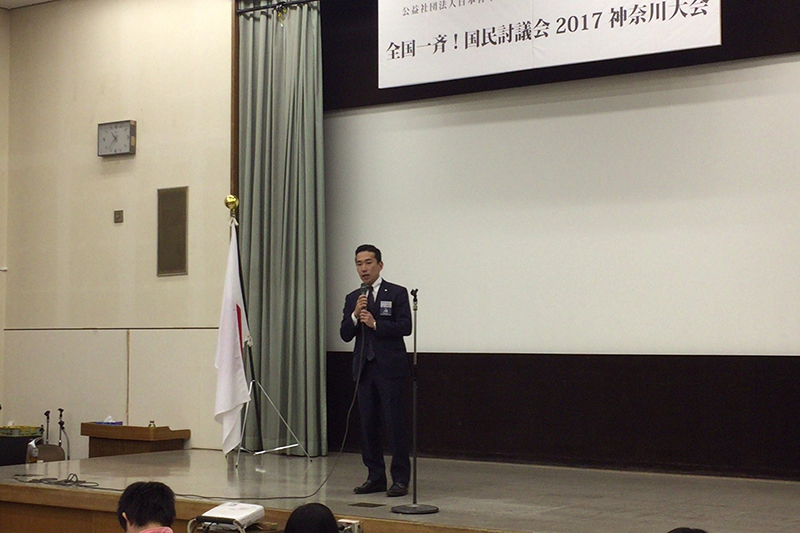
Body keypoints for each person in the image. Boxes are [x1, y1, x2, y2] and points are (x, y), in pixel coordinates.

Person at [340, 244, 412, 497]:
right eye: (359, 263)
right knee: (368, 425)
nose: (364, 268)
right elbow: (345, 334)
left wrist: (375, 323)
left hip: (390, 370)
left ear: (380, 265)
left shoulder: (397, 293)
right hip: (364, 370)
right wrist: (354, 315)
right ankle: (375, 477)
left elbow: (405, 327)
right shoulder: (353, 297)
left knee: (394, 424)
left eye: (368, 262)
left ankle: (400, 479)